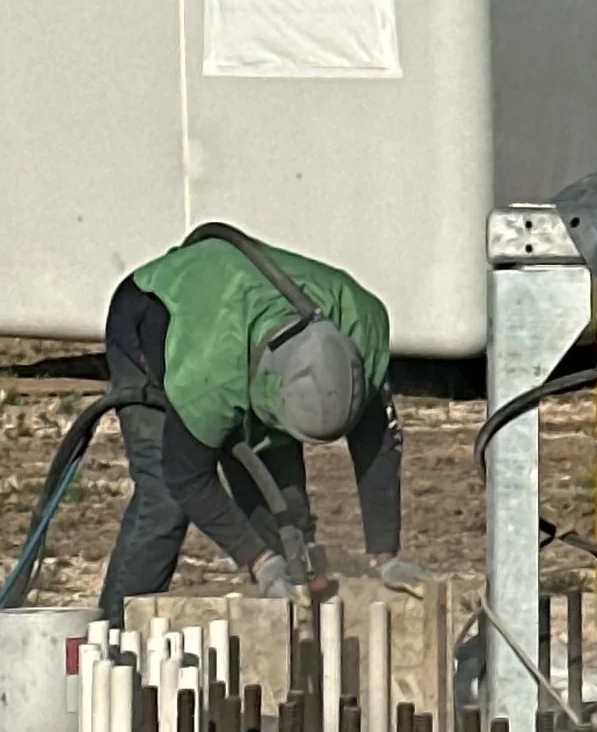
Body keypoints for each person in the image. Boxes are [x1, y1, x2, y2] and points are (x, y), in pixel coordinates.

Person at [98, 221, 418, 621]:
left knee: (282, 504)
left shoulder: (363, 326)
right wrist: (260, 559)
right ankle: (112, 642)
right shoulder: (211, 380)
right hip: (151, 313)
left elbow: (378, 441)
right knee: (164, 500)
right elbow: (186, 476)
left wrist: (384, 553)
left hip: (234, 321)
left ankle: (298, 634)